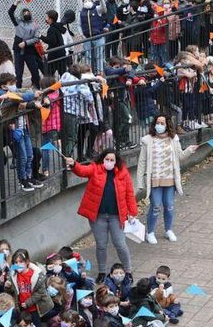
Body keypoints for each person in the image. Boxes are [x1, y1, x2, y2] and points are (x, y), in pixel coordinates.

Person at [67, 149, 138, 272]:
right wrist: (74, 164)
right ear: (102, 159)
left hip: (116, 216)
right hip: (98, 216)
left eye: (112, 160)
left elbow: (129, 193)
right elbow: (82, 170)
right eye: (107, 159)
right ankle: (102, 271)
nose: (109, 162)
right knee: (101, 245)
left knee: (120, 244)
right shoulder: (95, 168)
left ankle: (128, 271)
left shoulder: (123, 173)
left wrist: (132, 213)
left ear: (116, 162)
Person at [136, 114, 196, 245]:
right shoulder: (147, 140)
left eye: (162, 123)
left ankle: (168, 230)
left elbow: (180, 156)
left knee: (169, 206)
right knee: (156, 206)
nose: (160, 125)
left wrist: (189, 150)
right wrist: (140, 182)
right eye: (158, 122)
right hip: (154, 180)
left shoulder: (173, 139)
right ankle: (150, 232)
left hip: (170, 179)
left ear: (167, 124)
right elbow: (142, 162)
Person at [8, 0, 44, 88]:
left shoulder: (34, 25)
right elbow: (10, 13)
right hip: (18, 50)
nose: (26, 14)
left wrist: (26, 43)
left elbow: (36, 38)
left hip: (29, 50)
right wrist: (15, 3)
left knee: (34, 70)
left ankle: (37, 87)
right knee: (19, 72)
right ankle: (18, 89)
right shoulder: (18, 22)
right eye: (24, 13)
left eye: (28, 13)